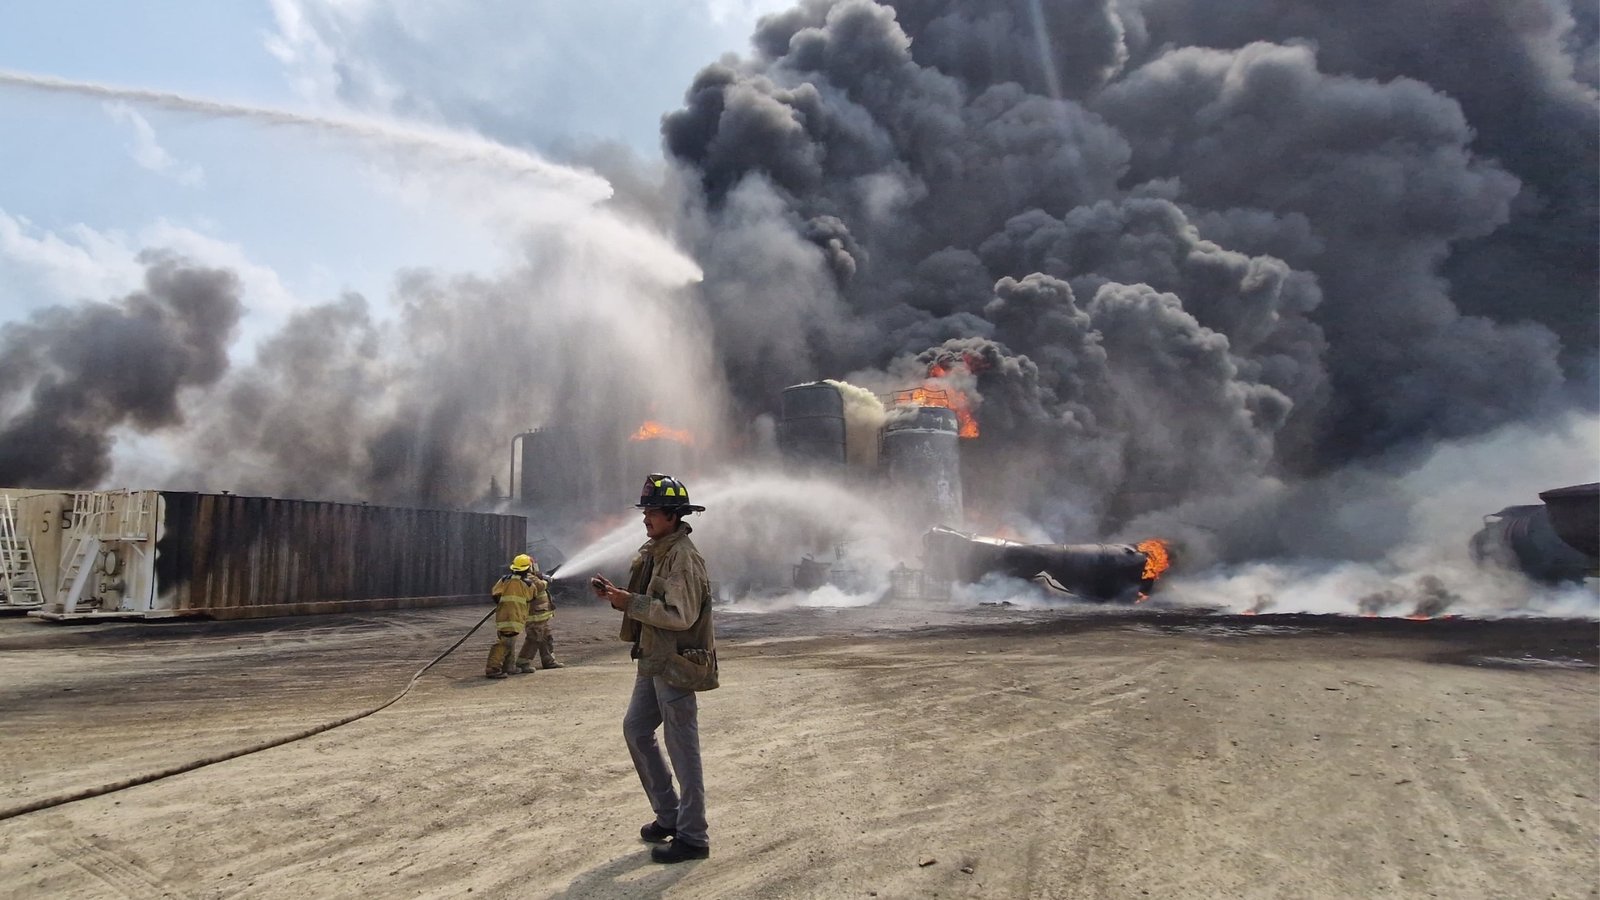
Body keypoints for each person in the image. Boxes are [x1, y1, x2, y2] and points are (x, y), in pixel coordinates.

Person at [590, 473, 716, 864]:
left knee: (683, 747)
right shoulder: (657, 550)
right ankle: (670, 815)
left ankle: (693, 837)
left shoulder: (683, 558)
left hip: (676, 663)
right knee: (636, 728)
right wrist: (619, 598)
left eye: (653, 512)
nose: (646, 518)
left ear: (674, 517)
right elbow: (646, 602)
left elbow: (680, 615)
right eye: (645, 511)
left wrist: (630, 602)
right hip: (653, 657)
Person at [485, 553, 538, 679]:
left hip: (502, 615)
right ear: (528, 568)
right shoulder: (529, 584)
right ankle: (493, 668)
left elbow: (495, 594)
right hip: (516, 617)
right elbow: (532, 597)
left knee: (509, 642)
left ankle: (509, 667)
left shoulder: (504, 579)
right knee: (505, 643)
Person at [515, 558, 563, 672]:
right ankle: (523, 663)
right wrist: (547, 580)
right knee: (534, 639)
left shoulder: (533, 576)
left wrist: (542, 576)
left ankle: (549, 661)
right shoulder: (527, 578)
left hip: (541, 615)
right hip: (534, 616)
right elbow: (540, 586)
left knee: (546, 638)